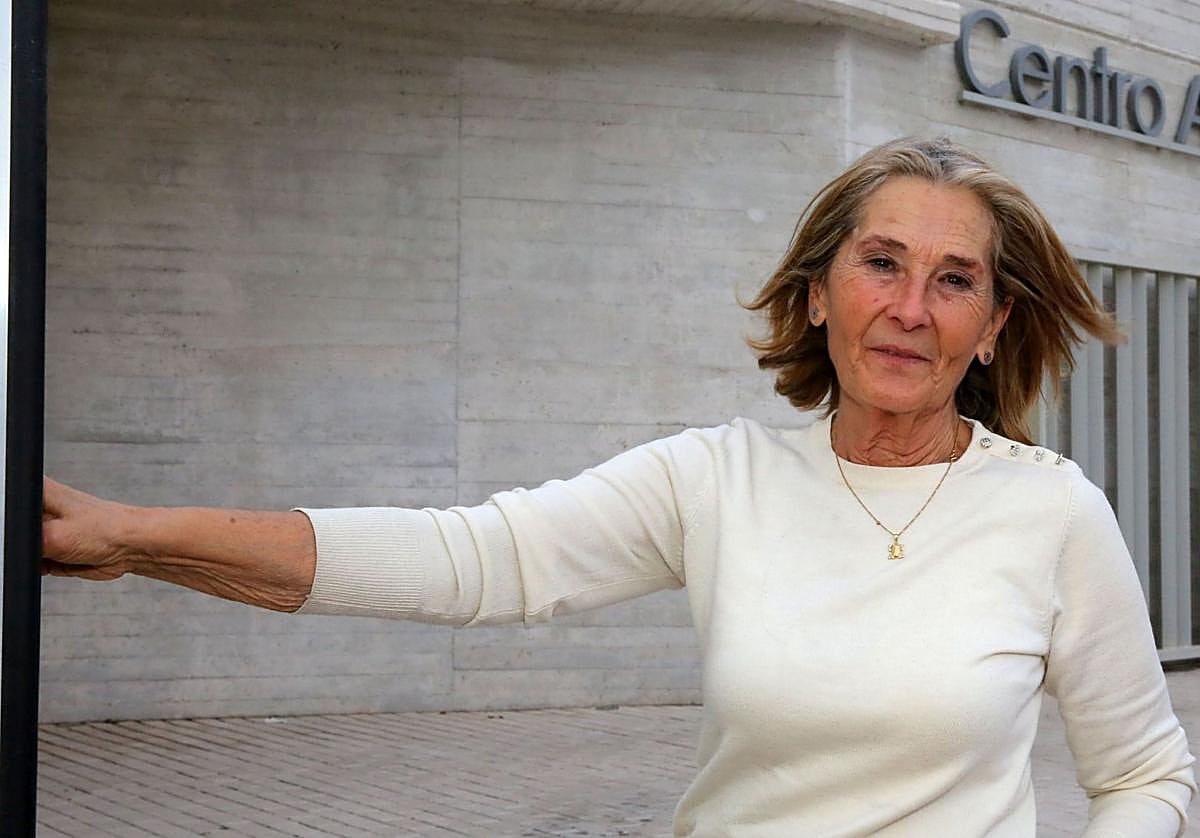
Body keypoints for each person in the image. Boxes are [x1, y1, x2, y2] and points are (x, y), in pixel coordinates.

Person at [42, 136, 1196, 836]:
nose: (908, 307)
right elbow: (468, 558)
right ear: (815, 292)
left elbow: (1147, 770)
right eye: (880, 262)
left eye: (953, 280)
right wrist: (136, 533)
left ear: (993, 327)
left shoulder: (1049, 509)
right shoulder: (715, 480)